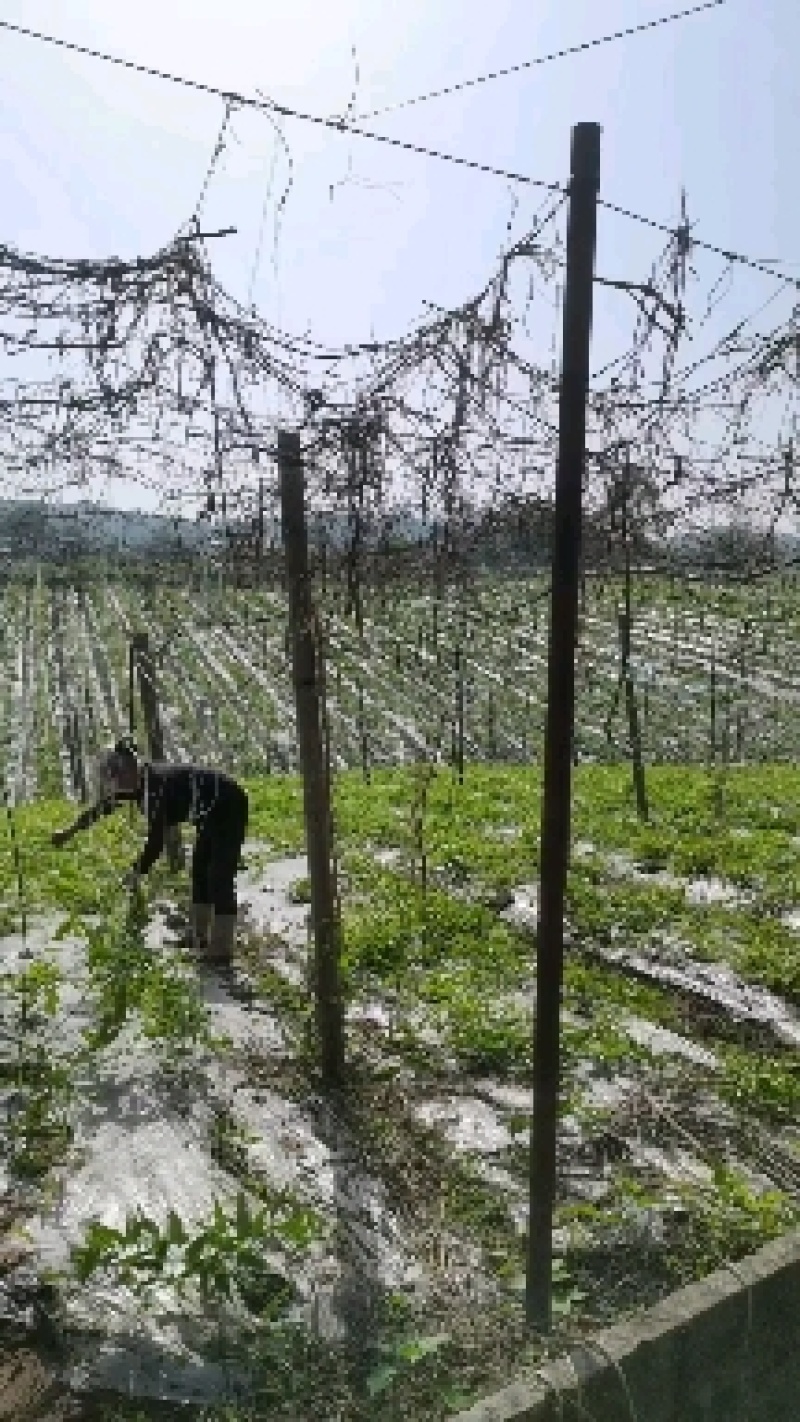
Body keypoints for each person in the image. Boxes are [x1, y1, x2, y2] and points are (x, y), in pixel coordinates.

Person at [51, 738, 249, 970]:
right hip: (208, 813)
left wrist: (136, 872)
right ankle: (197, 935)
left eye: (121, 774)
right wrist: (70, 831)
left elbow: (156, 844)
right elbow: (103, 808)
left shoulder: (157, 787)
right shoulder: (137, 784)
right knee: (199, 871)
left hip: (228, 805)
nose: (119, 784)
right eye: (113, 778)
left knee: (219, 876)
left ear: (134, 766)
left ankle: (221, 951)